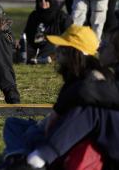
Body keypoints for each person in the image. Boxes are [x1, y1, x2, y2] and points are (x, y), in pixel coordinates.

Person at [0, 25, 112, 170]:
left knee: (31, 133)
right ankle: (19, 162)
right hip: (57, 134)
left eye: (62, 49)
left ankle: (21, 163)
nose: (57, 54)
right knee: (14, 124)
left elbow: (76, 123)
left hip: (71, 141)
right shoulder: (75, 77)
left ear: (76, 54)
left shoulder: (94, 84)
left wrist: (45, 128)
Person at [26, 27, 119, 169]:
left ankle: (41, 155)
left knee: (92, 110)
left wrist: (58, 109)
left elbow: (86, 90)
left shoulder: (98, 77)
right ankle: (32, 157)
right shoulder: (110, 76)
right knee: (15, 125)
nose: (99, 49)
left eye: (107, 45)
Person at [19, 0, 72, 64]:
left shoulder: (61, 17)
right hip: (35, 45)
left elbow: (70, 33)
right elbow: (27, 34)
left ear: (52, 1)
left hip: (54, 45)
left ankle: (42, 59)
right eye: (40, 0)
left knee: (51, 45)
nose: (43, 2)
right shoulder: (34, 15)